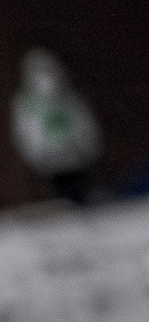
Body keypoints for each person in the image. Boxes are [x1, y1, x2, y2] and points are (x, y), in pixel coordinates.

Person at [11, 48, 103, 205]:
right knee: (62, 204)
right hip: (50, 167)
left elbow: (85, 126)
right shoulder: (27, 105)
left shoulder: (70, 100)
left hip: (76, 162)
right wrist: (38, 158)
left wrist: (87, 149)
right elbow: (26, 135)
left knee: (82, 201)